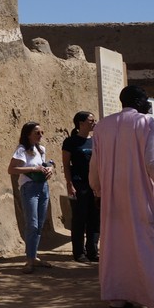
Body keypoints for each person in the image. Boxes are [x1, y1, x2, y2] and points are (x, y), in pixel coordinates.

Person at [89, 86, 154, 308]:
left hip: (112, 199)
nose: (148, 104)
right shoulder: (146, 123)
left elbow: (95, 164)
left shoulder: (102, 126)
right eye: (146, 100)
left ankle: (117, 298)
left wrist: (98, 191)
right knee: (146, 247)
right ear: (138, 101)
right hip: (140, 197)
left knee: (116, 245)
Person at [8, 121, 54, 274]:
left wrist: (49, 169)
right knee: (32, 224)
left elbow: (45, 164)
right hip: (29, 188)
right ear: (28, 134)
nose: (40, 135)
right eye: (37, 133)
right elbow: (12, 169)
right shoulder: (22, 150)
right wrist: (34, 168)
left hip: (43, 187)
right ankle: (29, 259)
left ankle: (33, 256)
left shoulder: (40, 149)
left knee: (39, 224)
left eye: (41, 132)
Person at [61, 111, 99, 263]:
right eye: (91, 120)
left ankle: (93, 251)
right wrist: (69, 184)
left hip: (95, 184)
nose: (93, 122)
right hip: (79, 184)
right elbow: (66, 165)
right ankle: (79, 253)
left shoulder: (96, 141)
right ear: (81, 123)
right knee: (79, 218)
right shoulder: (70, 142)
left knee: (95, 218)